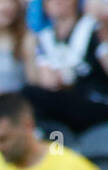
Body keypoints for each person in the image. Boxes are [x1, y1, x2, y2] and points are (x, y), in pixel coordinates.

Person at [22, 0, 108, 133]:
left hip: (95, 102)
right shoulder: (45, 37)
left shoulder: (94, 28)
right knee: (29, 94)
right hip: (64, 103)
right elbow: (45, 82)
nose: (57, 2)